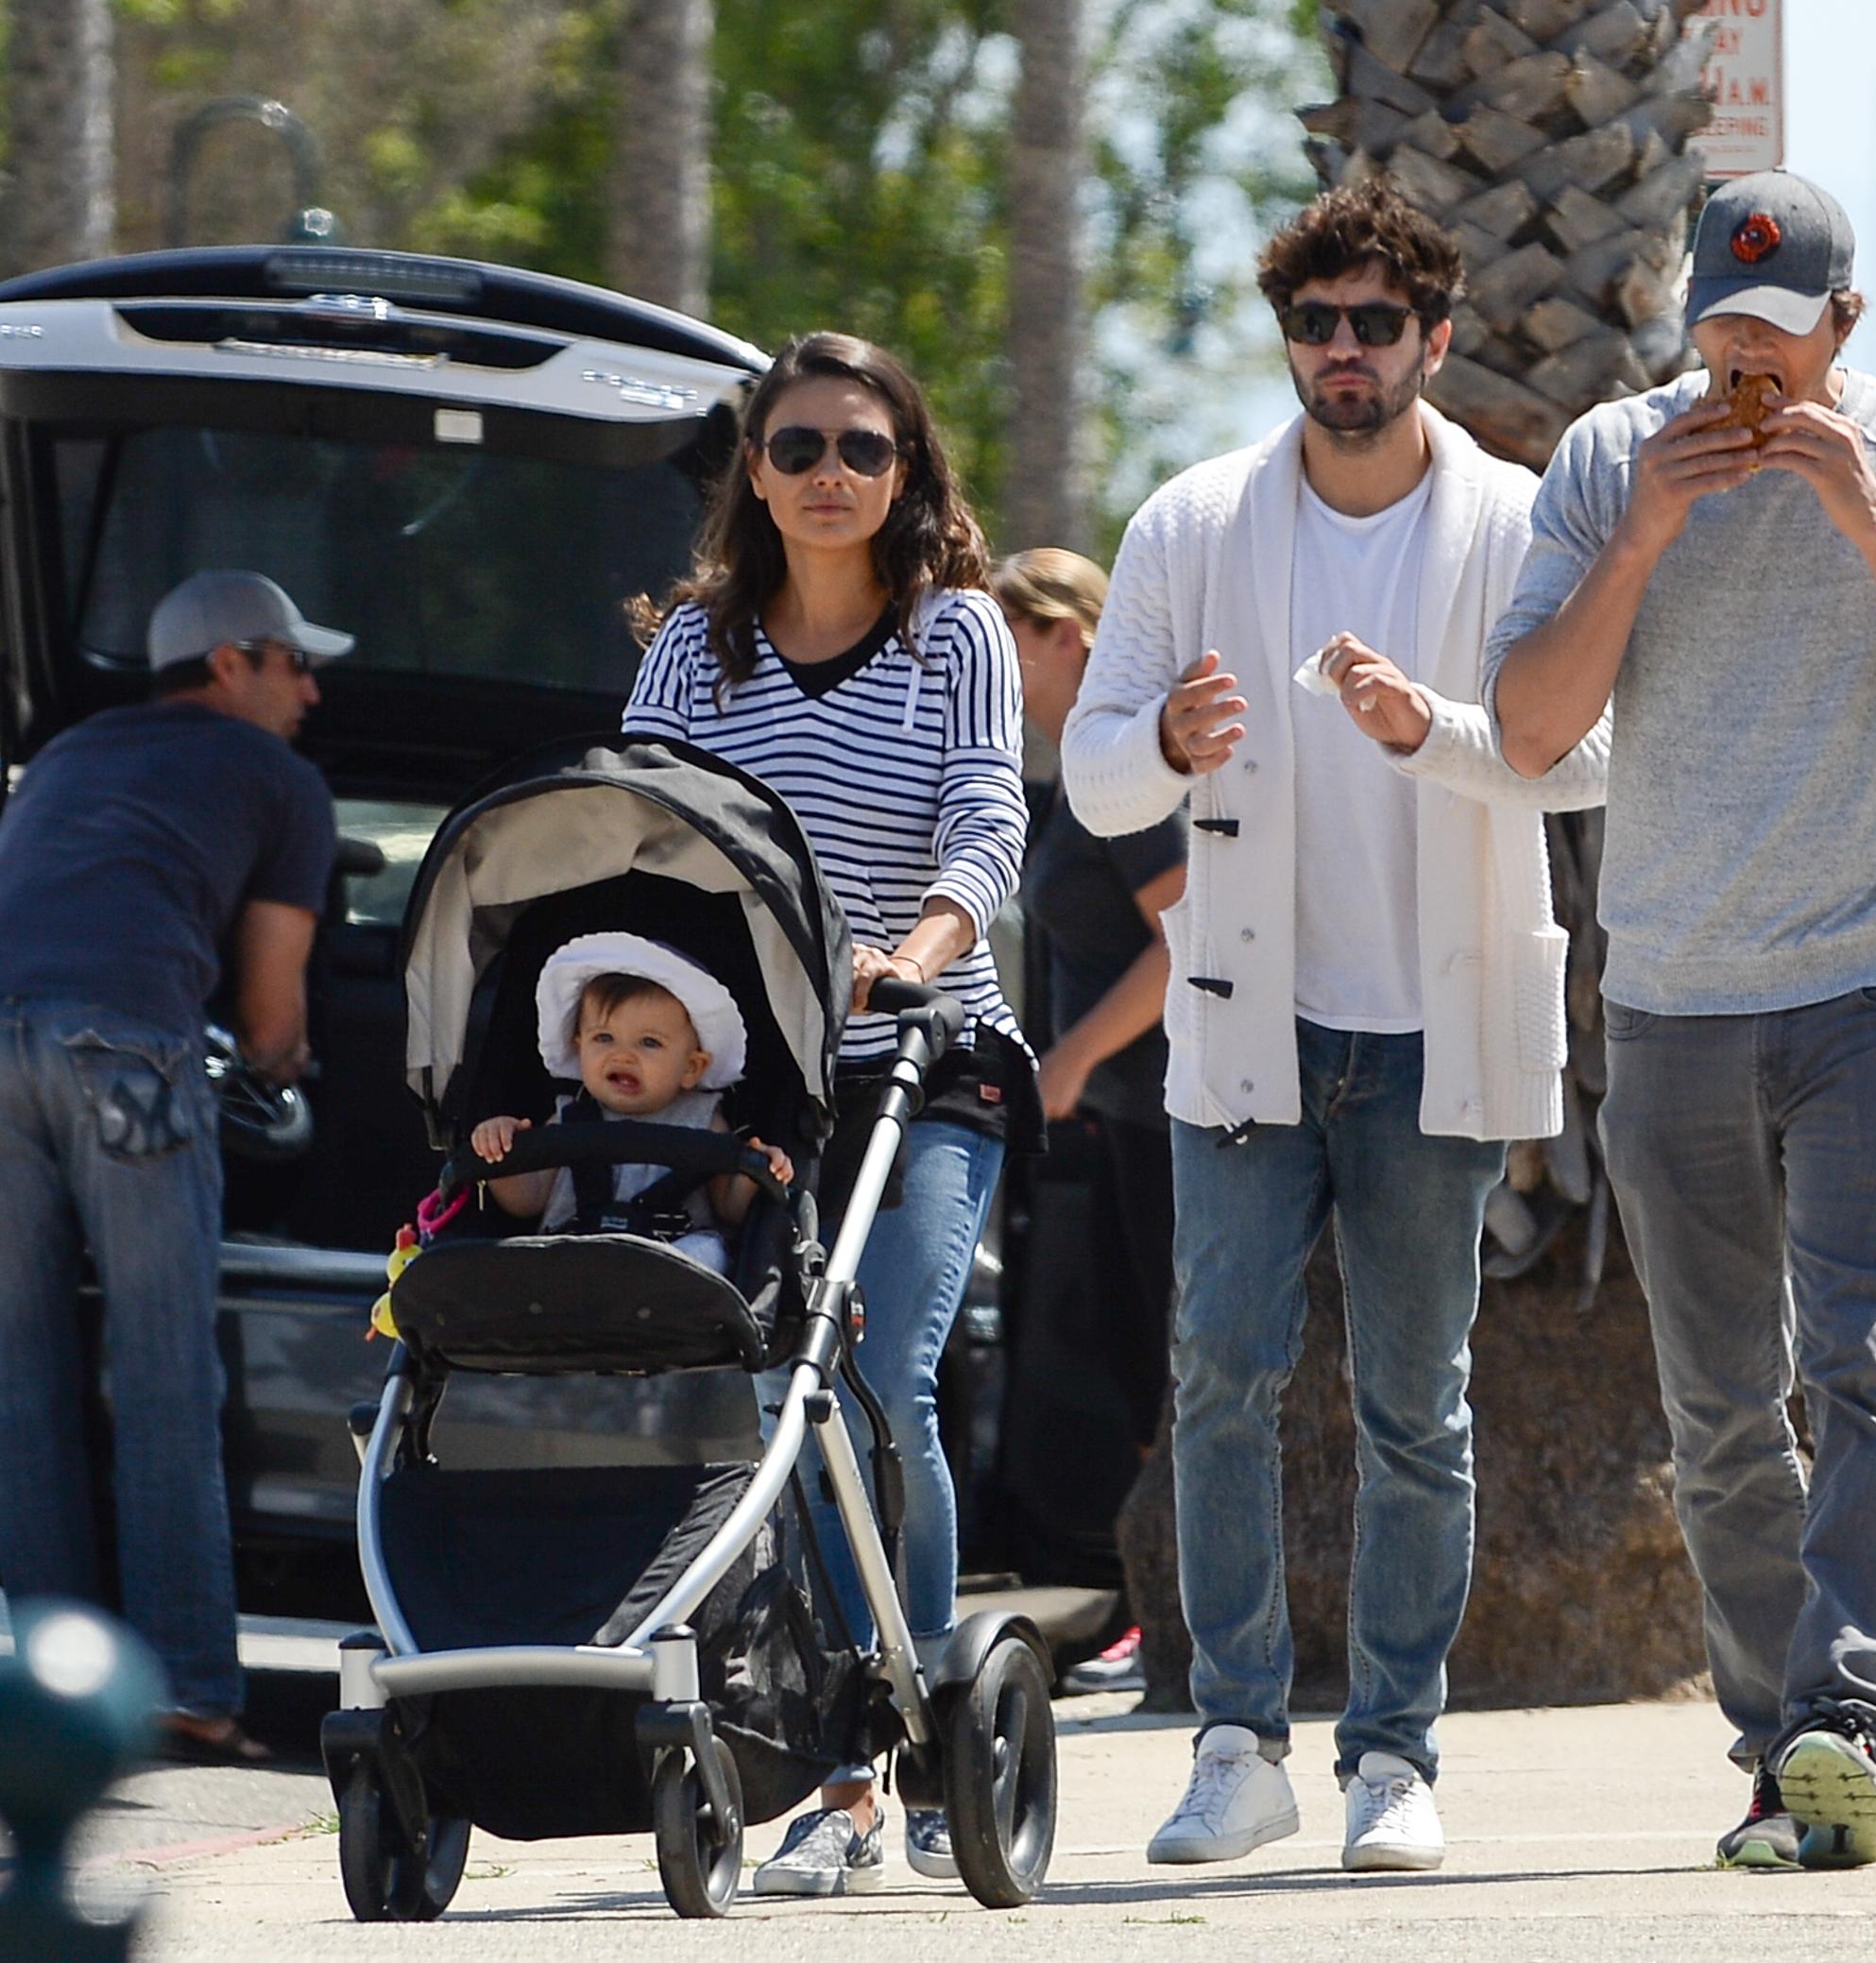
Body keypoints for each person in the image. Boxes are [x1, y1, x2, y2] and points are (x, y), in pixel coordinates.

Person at [1488, 170, 1876, 1871]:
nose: (1741, 358)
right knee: (1719, 1404)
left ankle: (1846, 1720)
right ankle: (1775, 1739)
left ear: (1843, 323)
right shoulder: (1611, 462)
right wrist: (1647, 532)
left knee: (1867, 1366)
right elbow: (1529, 729)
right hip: (1672, 996)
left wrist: (1868, 517)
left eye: (1774, 327)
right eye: (1716, 326)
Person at [1058, 179, 1608, 1873]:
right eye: (1318, 324)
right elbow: (1089, 781)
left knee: (1414, 1398)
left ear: (1434, 338)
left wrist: (1423, 724)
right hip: (1251, 1023)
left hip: (1431, 1032)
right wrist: (1163, 728)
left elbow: (1581, 756)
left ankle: (1391, 1750)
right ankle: (1235, 1736)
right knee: (1220, 1373)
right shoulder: (1191, 524)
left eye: (1377, 324)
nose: (1346, 352)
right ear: (1289, 339)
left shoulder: (1514, 519)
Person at [622, 331, 1036, 1895]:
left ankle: (917, 1730)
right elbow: (650, 832)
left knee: (879, 1378)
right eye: (794, 449)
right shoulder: (691, 648)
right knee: (780, 1402)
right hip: (768, 1073)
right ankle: (841, 1767)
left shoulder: (958, 636)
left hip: (933, 1058)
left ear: (908, 472)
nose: (827, 476)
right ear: (754, 471)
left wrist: (911, 956)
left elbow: (988, 813)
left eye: (862, 449)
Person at [0, 569, 346, 1765]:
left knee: (20, 1383)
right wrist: (293, 1061)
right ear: (231, 662)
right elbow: (263, 1020)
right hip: (129, 1052)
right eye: (296, 662)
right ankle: (190, 1689)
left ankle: (45, 1699)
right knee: (159, 1378)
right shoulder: (281, 780)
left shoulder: (67, 751)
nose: (312, 687)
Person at [994, 547, 1185, 1694]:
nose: (995, 666)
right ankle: (1150, 1603)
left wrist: (1069, 1054)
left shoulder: (1122, 779)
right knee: (1130, 1364)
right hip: (1118, 1117)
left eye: (1012, 638)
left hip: (1169, 1111)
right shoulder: (1072, 774)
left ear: (1073, 632)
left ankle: (1170, 1619)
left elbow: (1181, 946)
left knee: (1168, 1362)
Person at [469, 933, 793, 1271]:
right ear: (579, 1048)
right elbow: (525, 1201)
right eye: (604, 1038)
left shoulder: (703, 1119)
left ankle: (666, 1274)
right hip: (571, 1261)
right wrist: (500, 1149)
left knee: (710, 1249)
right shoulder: (570, 1116)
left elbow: (730, 1209)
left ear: (691, 1067)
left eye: (649, 1043)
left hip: (670, 1269)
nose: (622, 1055)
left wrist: (755, 1172)